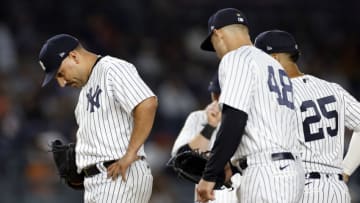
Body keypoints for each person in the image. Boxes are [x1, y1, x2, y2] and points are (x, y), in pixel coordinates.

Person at [196, 8, 304, 203]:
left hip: (265, 173)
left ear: (217, 33)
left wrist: (209, 175)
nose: (217, 53)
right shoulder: (274, 66)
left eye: (213, 44)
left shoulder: (236, 57)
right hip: (290, 172)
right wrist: (231, 163)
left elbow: (234, 117)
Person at [38, 34, 157, 203]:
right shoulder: (84, 93)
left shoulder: (112, 69)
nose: (61, 83)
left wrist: (131, 153)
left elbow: (147, 103)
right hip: (99, 182)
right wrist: (82, 163)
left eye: (60, 74)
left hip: (118, 175)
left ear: (73, 56)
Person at [254, 29, 360, 202]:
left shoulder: (276, 98)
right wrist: (346, 169)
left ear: (273, 59)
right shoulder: (331, 88)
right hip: (337, 191)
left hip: (303, 189)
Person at [171, 73, 240, 203]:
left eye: (221, 94)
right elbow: (182, 159)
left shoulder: (249, 119)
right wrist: (210, 126)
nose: (217, 99)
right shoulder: (199, 117)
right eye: (215, 93)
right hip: (210, 196)